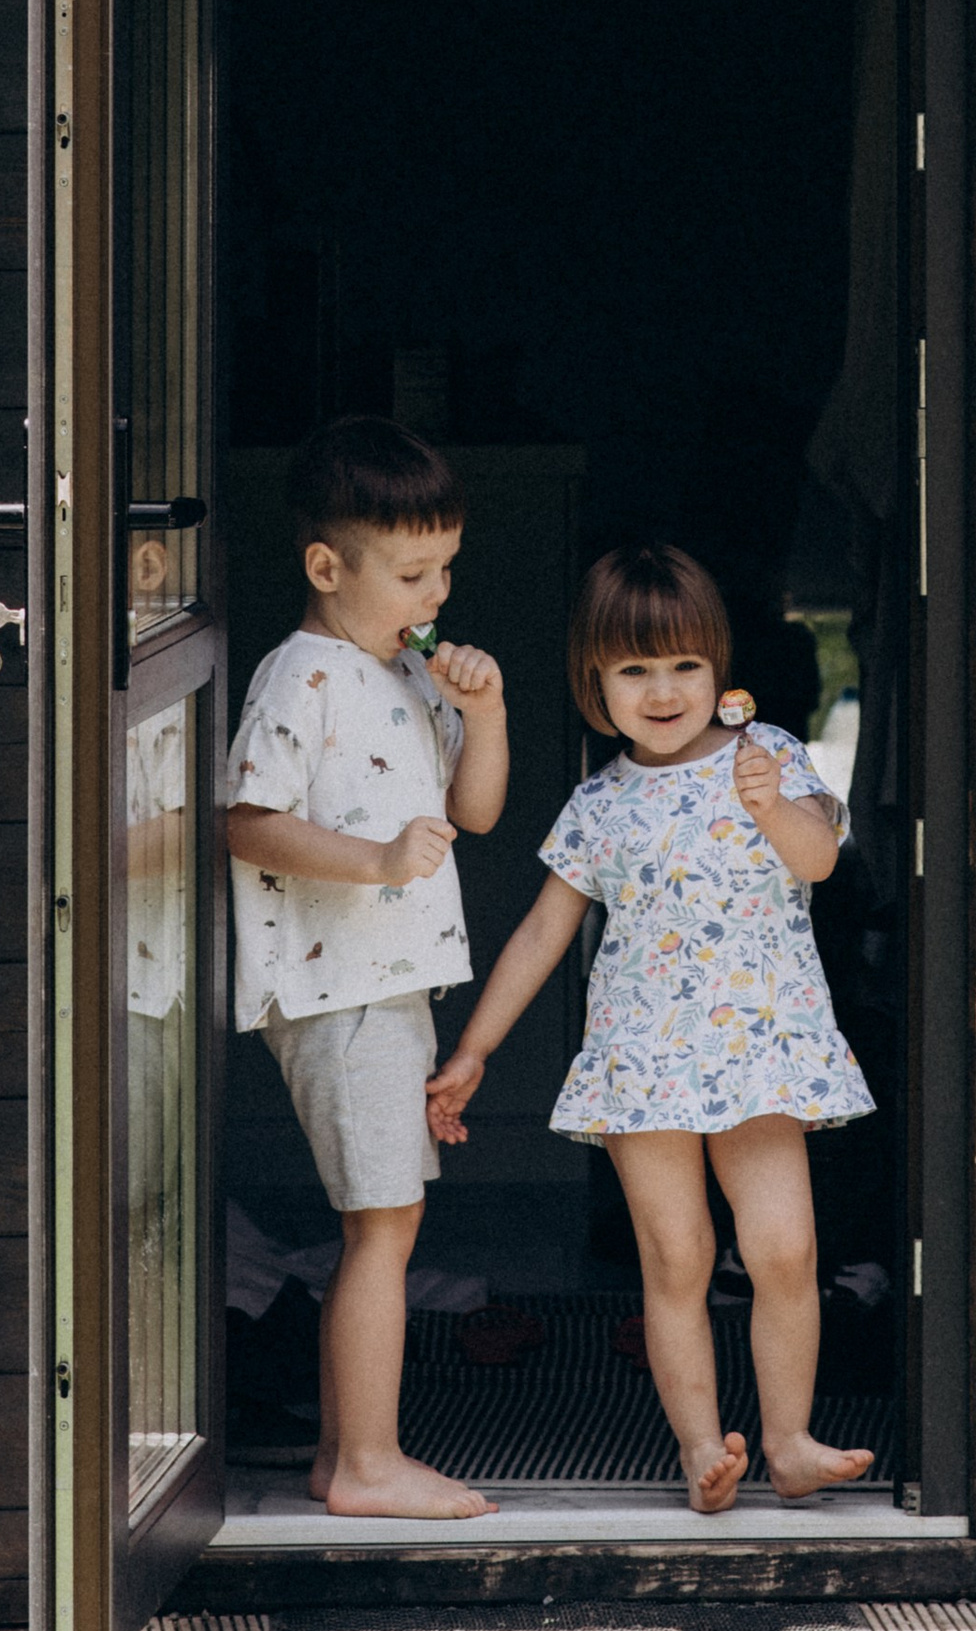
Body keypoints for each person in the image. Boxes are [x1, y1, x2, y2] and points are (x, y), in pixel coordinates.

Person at [425, 541, 875, 1516]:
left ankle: (790, 1442)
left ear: (719, 669)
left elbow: (818, 861)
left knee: (784, 1249)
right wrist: (474, 1048)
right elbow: (543, 931)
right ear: (595, 683)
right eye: (633, 670)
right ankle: (700, 1450)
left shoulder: (771, 755)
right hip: (645, 1059)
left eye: (684, 664)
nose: (663, 690)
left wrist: (771, 806)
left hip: (762, 1047)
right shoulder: (599, 802)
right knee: (675, 1259)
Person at [224, 415, 508, 1520]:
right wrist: (379, 860)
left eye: (447, 567)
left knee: (383, 1224)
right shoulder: (302, 674)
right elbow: (247, 820)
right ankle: (366, 1465)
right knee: (383, 1225)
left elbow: (476, 811)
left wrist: (484, 713)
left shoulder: (407, 672)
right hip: (338, 988)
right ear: (326, 567)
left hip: (388, 985)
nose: (434, 594)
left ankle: (343, 1454)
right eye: (411, 572)